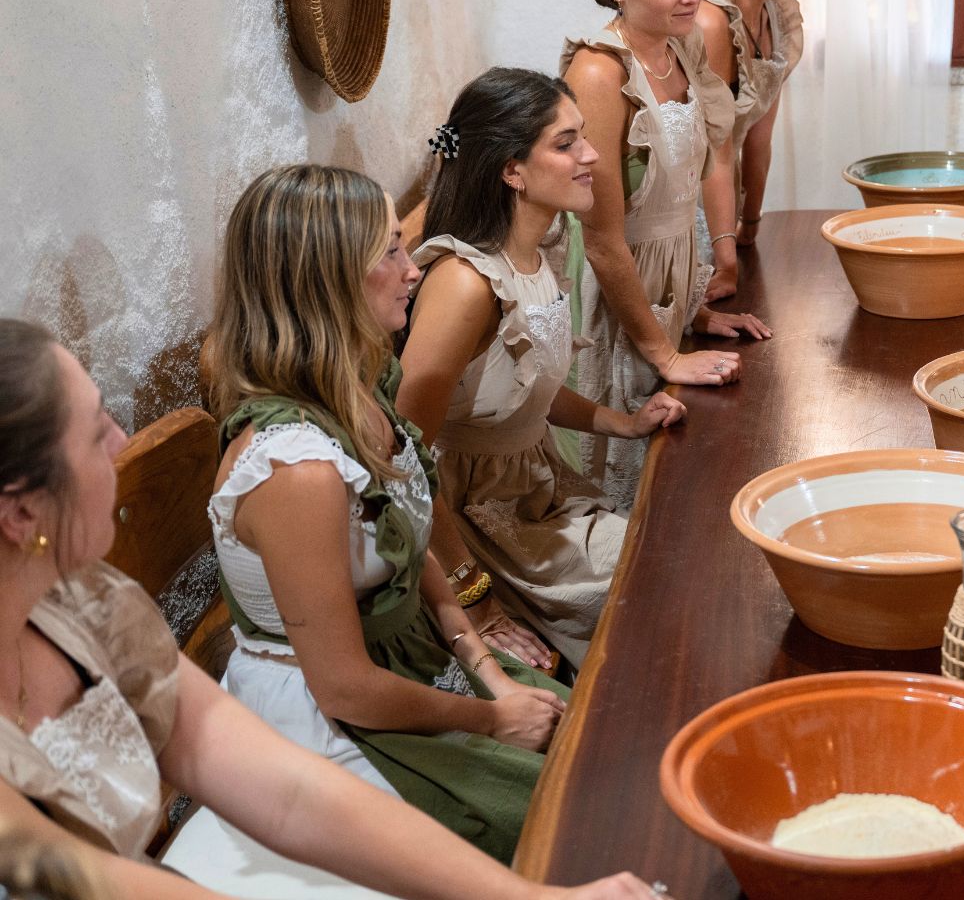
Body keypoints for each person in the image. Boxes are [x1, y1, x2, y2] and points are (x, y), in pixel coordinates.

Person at [0, 316, 653, 897]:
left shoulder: (90, 606)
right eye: (95, 433)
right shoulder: (290, 460)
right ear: (20, 510)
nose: (121, 442)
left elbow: (287, 790)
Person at [205, 165, 574, 863]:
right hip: (331, 713)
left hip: (404, 660)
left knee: (583, 734)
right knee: (547, 816)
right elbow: (343, 686)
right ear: (326, 282)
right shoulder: (296, 469)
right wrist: (491, 720)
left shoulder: (363, 389)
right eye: (390, 252)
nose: (413, 270)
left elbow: (410, 536)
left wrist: (481, 658)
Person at [398, 68, 685, 676]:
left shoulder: (535, 251)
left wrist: (626, 424)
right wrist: (473, 602)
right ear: (511, 170)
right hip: (477, 522)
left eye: (583, 137)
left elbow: (534, 389)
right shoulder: (465, 285)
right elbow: (404, 462)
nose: (591, 157)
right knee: (663, 586)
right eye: (566, 144)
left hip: (536, 493)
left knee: (676, 558)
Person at [566, 0, 772, 507]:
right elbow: (603, 240)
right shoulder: (600, 74)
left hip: (676, 291)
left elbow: (692, 184)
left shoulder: (683, 47)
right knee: (642, 494)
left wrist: (693, 312)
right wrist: (664, 349)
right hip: (625, 302)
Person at [695, 0, 803, 259]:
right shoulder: (710, 21)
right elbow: (717, 154)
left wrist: (751, 224)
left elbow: (758, 138)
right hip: (683, 206)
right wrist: (726, 259)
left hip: (727, 207)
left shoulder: (779, 14)